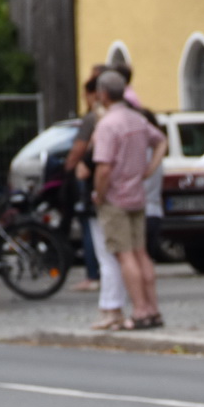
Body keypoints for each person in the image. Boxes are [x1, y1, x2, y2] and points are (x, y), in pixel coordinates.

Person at [90, 70, 166, 330]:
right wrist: (149, 169)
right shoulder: (137, 119)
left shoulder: (108, 125)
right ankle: (153, 309)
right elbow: (161, 141)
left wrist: (98, 195)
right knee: (141, 253)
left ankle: (141, 311)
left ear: (102, 94)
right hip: (138, 195)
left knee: (125, 256)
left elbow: (103, 168)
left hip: (116, 198)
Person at [66, 73, 105, 294]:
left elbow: (80, 148)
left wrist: (68, 168)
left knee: (90, 226)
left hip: (89, 175)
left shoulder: (93, 118)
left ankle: (93, 274)